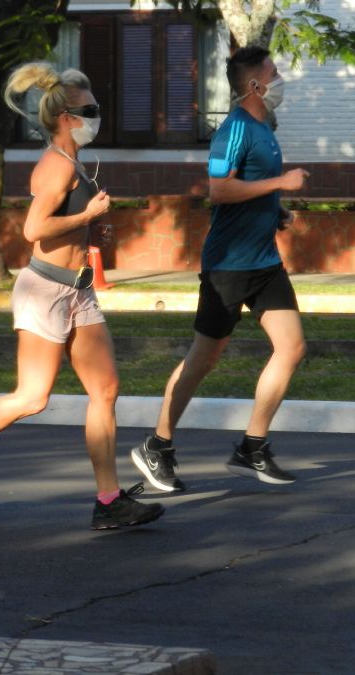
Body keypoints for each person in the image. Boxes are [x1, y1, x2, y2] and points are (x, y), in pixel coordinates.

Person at [0, 63, 164, 531]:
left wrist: (92, 229)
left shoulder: (74, 162)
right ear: (66, 117)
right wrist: (85, 216)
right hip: (44, 291)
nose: (96, 115)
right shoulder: (56, 165)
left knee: (105, 389)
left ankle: (109, 501)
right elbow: (34, 229)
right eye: (89, 109)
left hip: (78, 290)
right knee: (32, 397)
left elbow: (64, 224)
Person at [130, 47, 309, 493]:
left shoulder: (265, 128)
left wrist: (276, 211)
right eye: (274, 72)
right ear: (255, 85)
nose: (280, 78)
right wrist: (281, 183)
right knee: (204, 358)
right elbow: (219, 190)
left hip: (264, 262)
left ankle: (252, 447)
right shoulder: (234, 129)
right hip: (227, 266)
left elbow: (251, 188)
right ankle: (157, 445)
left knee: (291, 348)